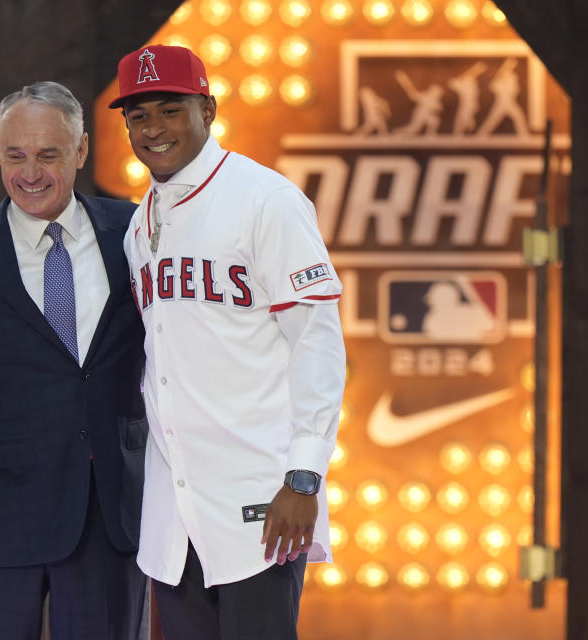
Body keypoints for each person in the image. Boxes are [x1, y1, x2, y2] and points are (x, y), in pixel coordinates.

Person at [109, 45, 346, 640]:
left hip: (260, 501)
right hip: (174, 510)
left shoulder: (265, 200)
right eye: (138, 116)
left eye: (170, 109)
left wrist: (303, 478)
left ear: (207, 109)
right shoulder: (141, 225)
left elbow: (318, 344)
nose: (153, 129)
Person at [0, 81, 147, 640]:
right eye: (15, 155)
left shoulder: (138, 233)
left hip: (111, 517)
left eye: (47, 155)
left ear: (82, 151)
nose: (29, 173)